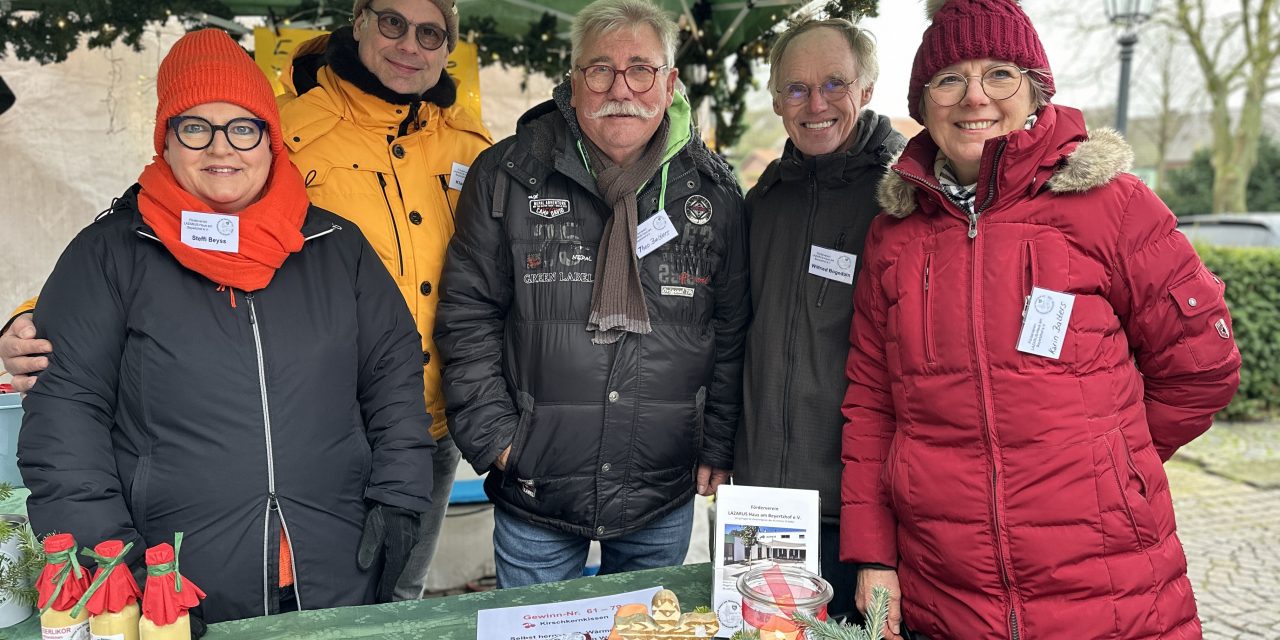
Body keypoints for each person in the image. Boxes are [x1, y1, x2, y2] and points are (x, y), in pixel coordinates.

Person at [0, 0, 492, 601]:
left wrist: (400, 494)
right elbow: (67, 418)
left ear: (266, 140)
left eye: (241, 127)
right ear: (166, 140)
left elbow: (393, 371)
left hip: (341, 544)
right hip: (179, 572)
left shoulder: (344, 236)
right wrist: (117, 571)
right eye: (194, 127)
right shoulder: (113, 252)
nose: (221, 148)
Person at [840, 1, 1242, 639]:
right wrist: (874, 557)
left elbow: (1202, 368)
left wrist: (1113, 463)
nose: (975, 97)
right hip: (947, 588)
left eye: (999, 73)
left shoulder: (1112, 204)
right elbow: (870, 405)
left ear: (1034, 89)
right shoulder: (895, 235)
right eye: (949, 79)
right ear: (923, 102)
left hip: (1109, 585)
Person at [433, 0, 749, 588]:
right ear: (573, 80)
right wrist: (499, 440)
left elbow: (728, 329)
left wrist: (718, 442)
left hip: (663, 481)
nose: (619, 88)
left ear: (670, 81)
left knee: (648, 630)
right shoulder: (506, 174)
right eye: (599, 69)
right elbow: (466, 316)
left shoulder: (715, 192)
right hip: (536, 480)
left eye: (642, 69)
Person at [733, 17, 904, 620]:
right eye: (797, 88)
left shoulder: (904, 200)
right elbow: (734, 339)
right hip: (757, 518)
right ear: (778, 100)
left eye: (835, 83)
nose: (817, 104)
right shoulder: (762, 203)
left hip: (862, 522)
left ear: (866, 89)